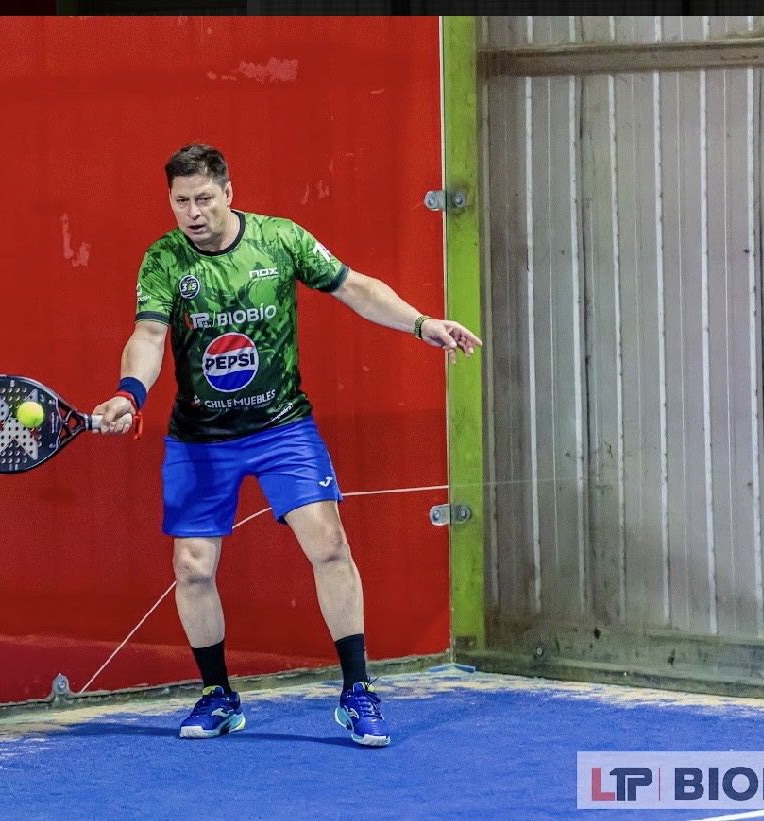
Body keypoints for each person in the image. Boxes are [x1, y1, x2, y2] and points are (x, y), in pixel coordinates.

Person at [91, 144, 482, 748]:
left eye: (204, 198)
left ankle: (357, 692)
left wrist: (422, 324)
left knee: (329, 544)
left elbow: (356, 288)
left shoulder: (280, 239)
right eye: (181, 201)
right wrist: (129, 394)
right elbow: (148, 334)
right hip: (202, 437)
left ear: (228, 193)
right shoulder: (165, 258)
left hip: (282, 428)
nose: (193, 212)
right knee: (192, 568)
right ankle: (218, 695)